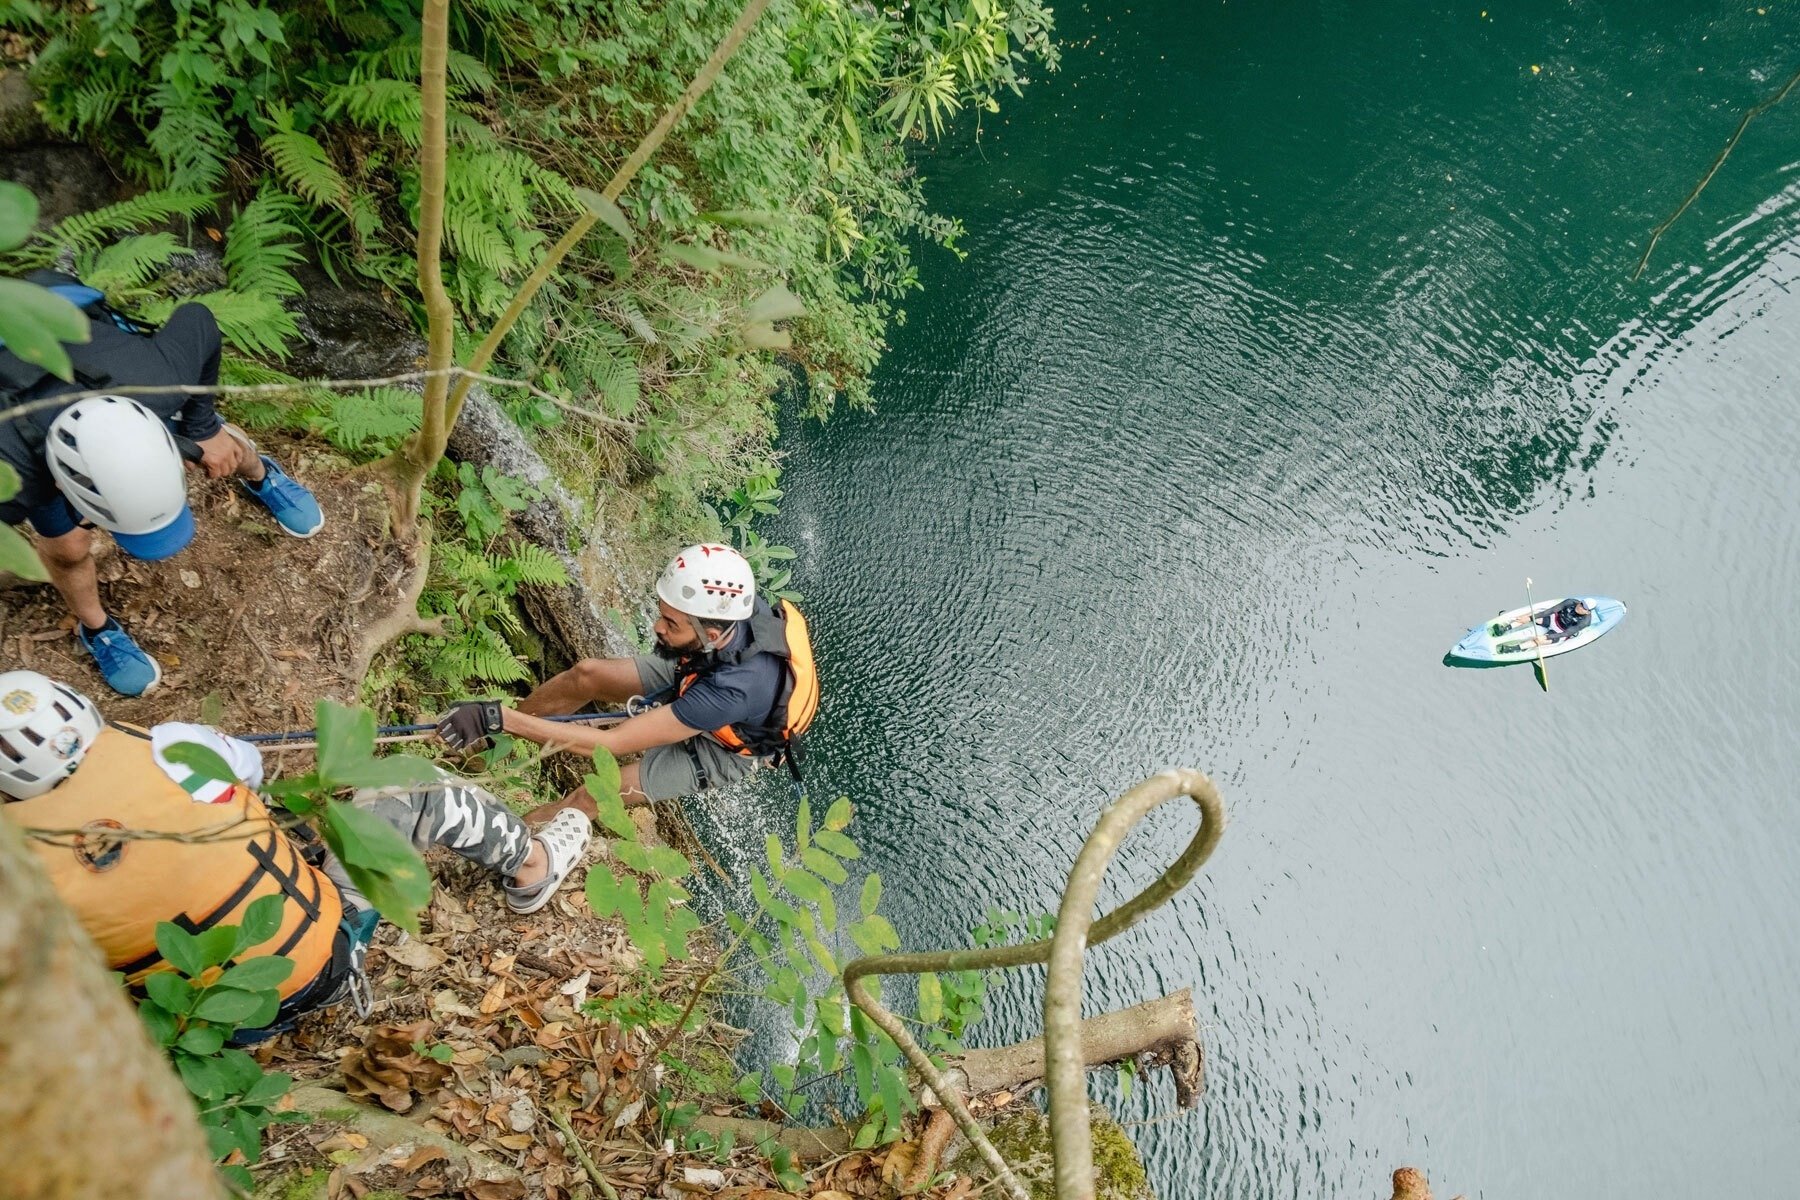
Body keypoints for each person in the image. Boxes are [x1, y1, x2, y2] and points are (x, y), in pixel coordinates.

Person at [0, 670, 590, 1037]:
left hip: (204, 1024)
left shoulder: (15, 873)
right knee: (415, 783)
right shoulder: (169, 748)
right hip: (315, 964)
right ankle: (533, 865)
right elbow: (250, 773)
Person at [0, 283, 324, 696]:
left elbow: (198, 319)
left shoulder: (159, 380)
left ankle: (261, 475)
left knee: (221, 447)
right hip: (23, 436)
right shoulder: (10, 482)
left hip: (115, 385)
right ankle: (98, 629)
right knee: (67, 549)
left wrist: (201, 428)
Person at [437, 543, 818, 813]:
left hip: (723, 747)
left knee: (592, 794)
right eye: (662, 613)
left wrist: (499, 715)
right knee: (588, 675)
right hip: (702, 665)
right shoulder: (729, 605)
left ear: (712, 632)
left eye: (670, 622)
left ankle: (506, 843)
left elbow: (612, 745)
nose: (656, 627)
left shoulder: (731, 691)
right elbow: (698, 653)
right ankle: (486, 748)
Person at [1499, 597, 1594, 646]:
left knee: (1541, 641)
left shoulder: (1585, 622)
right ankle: (1505, 628)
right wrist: (1530, 618)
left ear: (1587, 611)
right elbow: (1551, 611)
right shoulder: (1571, 602)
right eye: (1581, 603)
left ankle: (1512, 649)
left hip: (1560, 631)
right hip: (1554, 619)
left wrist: (1545, 637)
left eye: (1583, 607)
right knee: (1531, 616)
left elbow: (1566, 633)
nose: (1580, 607)